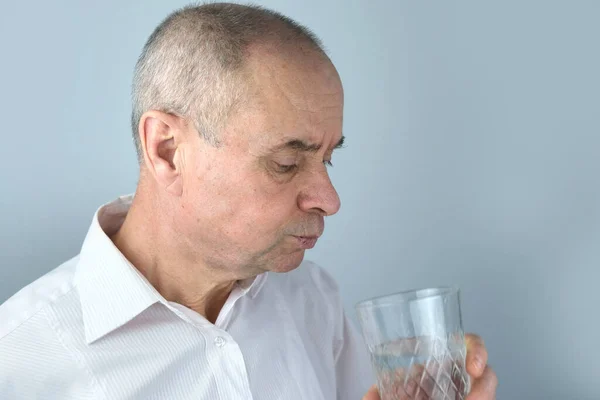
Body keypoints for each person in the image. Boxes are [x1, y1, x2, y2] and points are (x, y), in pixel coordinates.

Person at [0, 3, 497, 399]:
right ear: (167, 150)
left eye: (328, 159)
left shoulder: (310, 297)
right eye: (285, 163)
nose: (329, 199)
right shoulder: (20, 363)